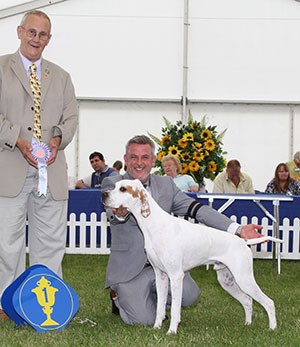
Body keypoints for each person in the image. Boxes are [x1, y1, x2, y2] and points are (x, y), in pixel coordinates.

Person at [101, 135, 263, 326]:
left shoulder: (166, 184)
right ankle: (121, 298)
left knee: (190, 295)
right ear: (126, 159)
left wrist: (238, 229)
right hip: (131, 269)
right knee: (142, 320)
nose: (139, 163)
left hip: (165, 262)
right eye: (133, 157)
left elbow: (197, 209)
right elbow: (112, 214)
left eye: (145, 157)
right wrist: (119, 214)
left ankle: (149, 302)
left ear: (153, 160)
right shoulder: (113, 184)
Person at [0, 11, 78, 320]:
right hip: (9, 169)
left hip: (52, 172)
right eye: (31, 32)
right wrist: (19, 141)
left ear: (49, 38)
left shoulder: (61, 76)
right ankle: (7, 306)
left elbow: (71, 118)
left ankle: (49, 308)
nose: (36, 39)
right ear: (19, 32)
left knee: (50, 243)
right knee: (7, 243)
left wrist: (57, 142)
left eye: (43, 34)